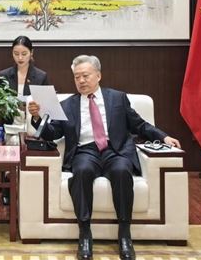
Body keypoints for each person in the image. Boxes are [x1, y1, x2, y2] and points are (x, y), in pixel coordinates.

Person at [27, 55, 180, 260]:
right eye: (77, 77)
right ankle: (85, 234)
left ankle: (124, 234)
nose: (81, 81)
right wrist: (37, 118)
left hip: (115, 151)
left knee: (121, 171)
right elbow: (52, 133)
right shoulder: (67, 105)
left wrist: (164, 137)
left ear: (98, 75)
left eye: (85, 76)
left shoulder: (117, 98)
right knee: (82, 171)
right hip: (85, 151)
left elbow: (139, 125)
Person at [0, 35, 49, 205]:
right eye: (16, 53)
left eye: (24, 54)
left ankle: (28, 188)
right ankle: (8, 186)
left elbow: (46, 104)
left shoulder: (40, 76)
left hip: (31, 123)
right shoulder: (4, 75)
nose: (20, 58)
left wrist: (32, 107)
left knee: (26, 147)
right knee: (12, 144)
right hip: (11, 122)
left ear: (31, 53)